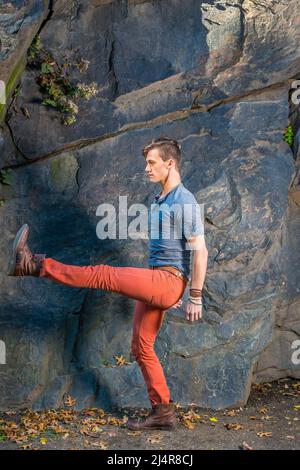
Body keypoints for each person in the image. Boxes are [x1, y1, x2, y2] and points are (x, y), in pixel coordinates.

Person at [8, 136, 208, 431]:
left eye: (152, 162)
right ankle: (163, 412)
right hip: (162, 281)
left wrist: (193, 295)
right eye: (146, 163)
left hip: (167, 281)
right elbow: (173, 251)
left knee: (103, 274)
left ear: (170, 163)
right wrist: (171, 290)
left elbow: (200, 250)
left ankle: (34, 265)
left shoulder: (184, 200)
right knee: (142, 347)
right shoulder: (160, 199)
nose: (146, 168)